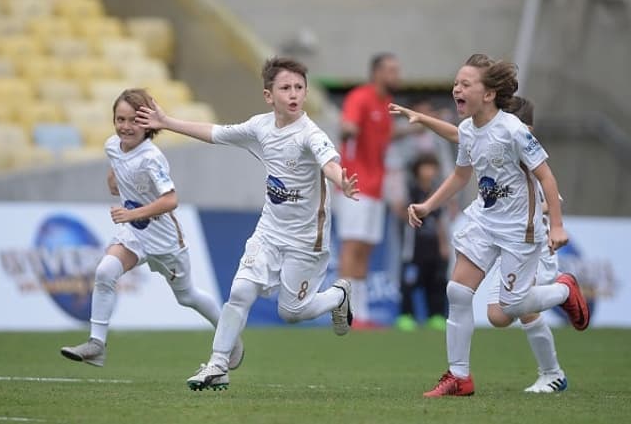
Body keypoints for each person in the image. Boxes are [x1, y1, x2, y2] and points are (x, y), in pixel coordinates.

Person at [135, 57, 359, 391]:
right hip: (269, 230)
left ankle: (338, 296)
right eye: (285, 88)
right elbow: (214, 133)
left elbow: (329, 162)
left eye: (299, 87)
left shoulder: (310, 134)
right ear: (269, 96)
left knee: (291, 312)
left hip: (306, 239)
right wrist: (166, 121)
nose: (294, 94)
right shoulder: (260, 127)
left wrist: (340, 180)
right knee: (240, 291)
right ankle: (218, 365)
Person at [399, 54, 590, 397]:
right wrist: (428, 205)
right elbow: (461, 175)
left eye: (465, 84)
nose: (456, 89)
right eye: (456, 83)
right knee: (457, 291)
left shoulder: (513, 130)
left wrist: (557, 226)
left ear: (488, 94)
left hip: (520, 229)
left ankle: (564, 290)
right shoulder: (469, 130)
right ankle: (459, 377)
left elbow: (546, 176)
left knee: (510, 310)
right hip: (485, 220)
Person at [60, 89, 243, 370]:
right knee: (105, 271)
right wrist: (115, 179)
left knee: (187, 296)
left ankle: (229, 335)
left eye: (134, 120)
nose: (125, 126)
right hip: (134, 234)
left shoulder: (152, 157)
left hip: (164, 239)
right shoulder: (113, 145)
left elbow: (171, 200)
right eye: (120, 119)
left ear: (147, 124)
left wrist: (131, 212)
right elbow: (116, 172)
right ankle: (96, 345)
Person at [337, 53, 401, 328]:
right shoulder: (360, 97)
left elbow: (384, 139)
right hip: (354, 185)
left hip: (376, 188)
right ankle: (343, 314)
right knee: (351, 247)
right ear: (376, 72)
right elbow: (348, 126)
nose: (396, 75)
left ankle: (359, 315)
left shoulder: (386, 105)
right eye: (391, 70)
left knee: (365, 249)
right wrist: (349, 130)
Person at [397, 153, 449, 332]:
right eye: (425, 167)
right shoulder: (411, 190)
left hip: (433, 245)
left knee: (436, 282)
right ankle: (406, 316)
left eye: (432, 167)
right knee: (409, 283)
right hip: (413, 247)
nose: (429, 171)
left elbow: (441, 220)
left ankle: (436, 316)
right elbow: (400, 210)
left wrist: (444, 245)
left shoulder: (437, 192)